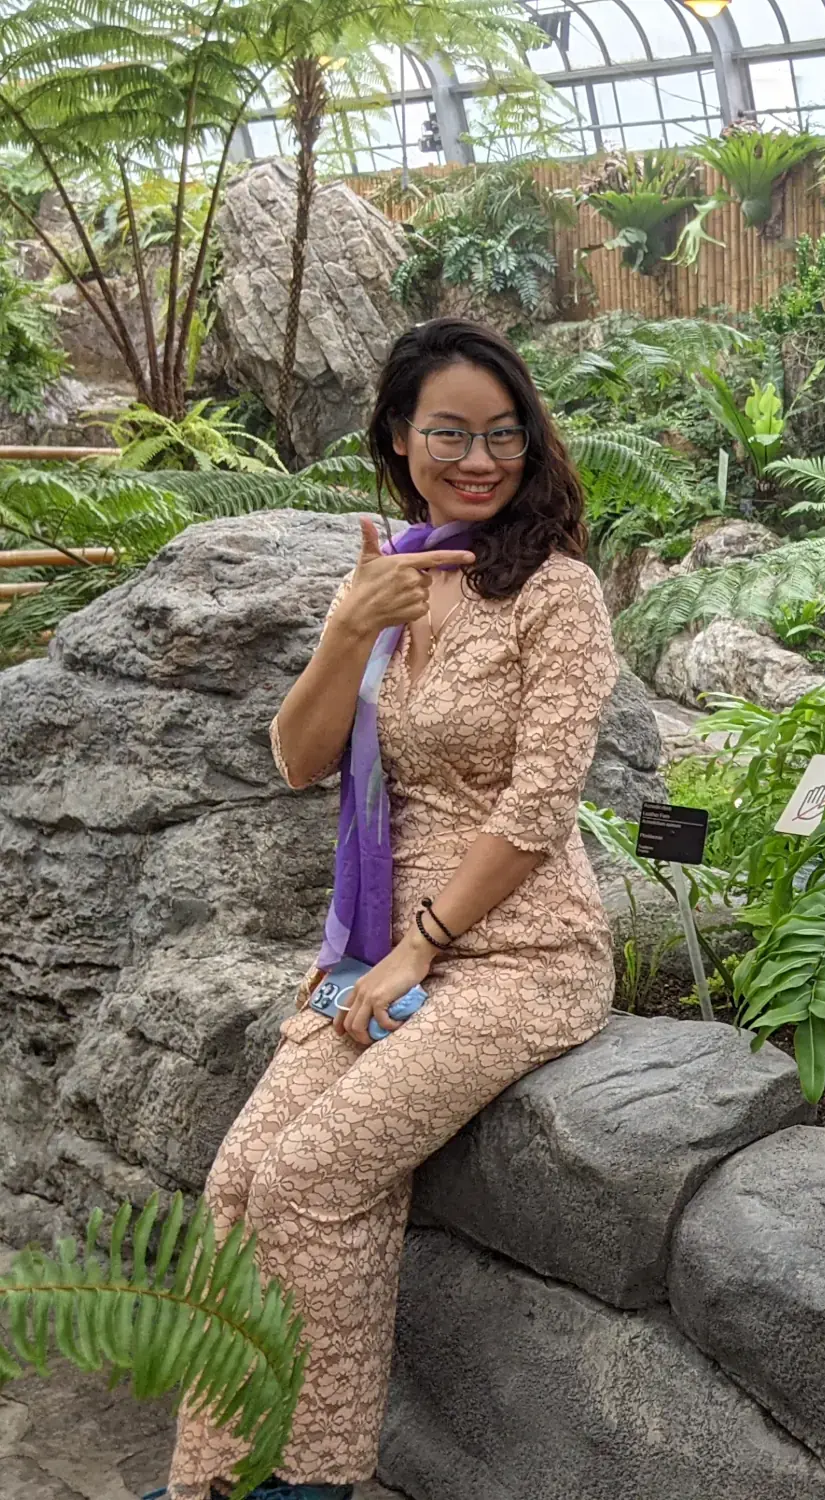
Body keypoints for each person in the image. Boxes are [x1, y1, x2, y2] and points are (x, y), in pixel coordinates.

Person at [146, 318, 619, 1500]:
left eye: (503, 433)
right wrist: (351, 626)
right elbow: (299, 759)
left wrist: (418, 950)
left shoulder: (557, 594)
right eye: (450, 433)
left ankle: (305, 1481)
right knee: (238, 1180)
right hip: (382, 953)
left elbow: (539, 806)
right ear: (400, 440)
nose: (479, 459)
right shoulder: (391, 577)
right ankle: (219, 1475)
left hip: (520, 957)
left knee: (311, 1181)